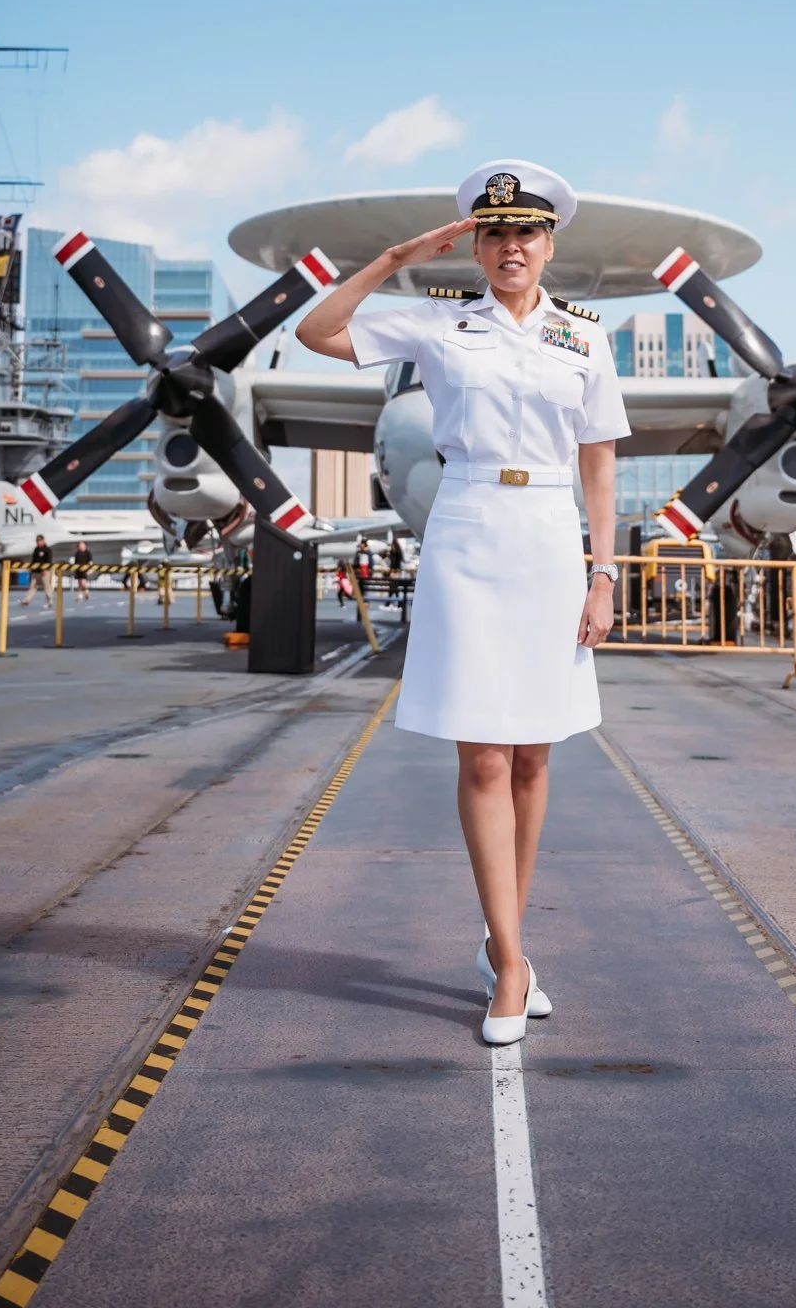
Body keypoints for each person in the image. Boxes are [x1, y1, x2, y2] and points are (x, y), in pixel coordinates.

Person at [297, 159, 628, 1045]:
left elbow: (597, 461)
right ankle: (513, 967)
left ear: (548, 242)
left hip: (551, 539)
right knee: (482, 758)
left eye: (525, 232)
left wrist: (604, 573)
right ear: (475, 245)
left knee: (533, 761)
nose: (510, 246)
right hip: (469, 527)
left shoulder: (585, 339)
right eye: (493, 233)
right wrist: (396, 255)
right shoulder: (441, 324)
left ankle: (501, 940)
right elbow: (316, 330)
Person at [22, 535, 52, 610]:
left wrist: (45, 569)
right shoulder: (36, 549)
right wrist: (31, 569)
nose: (38, 542)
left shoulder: (47, 550)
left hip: (44, 572)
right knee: (32, 586)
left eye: (40, 540)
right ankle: (27, 600)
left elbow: (49, 561)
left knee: (46, 587)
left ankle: (49, 601)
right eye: (37, 541)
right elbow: (34, 560)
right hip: (36, 572)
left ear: (43, 541)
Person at [72, 538, 92, 603]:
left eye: (82, 545)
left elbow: (90, 561)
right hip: (78, 570)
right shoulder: (77, 553)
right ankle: (79, 596)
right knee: (79, 583)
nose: (81, 547)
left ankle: (86, 592)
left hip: (85, 569)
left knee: (83, 582)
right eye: (80, 546)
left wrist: (90, 569)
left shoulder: (88, 553)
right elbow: (75, 562)